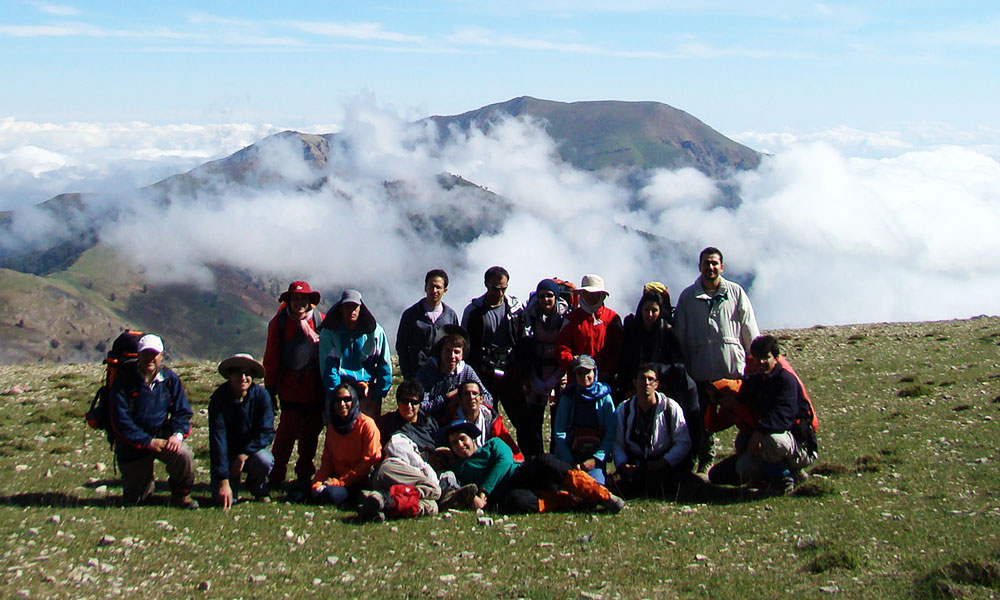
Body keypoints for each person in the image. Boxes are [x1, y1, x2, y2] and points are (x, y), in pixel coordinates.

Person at [674, 247, 759, 473]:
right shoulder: (687, 297)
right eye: (706, 263)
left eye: (714, 263)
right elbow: (680, 335)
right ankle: (704, 459)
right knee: (703, 419)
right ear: (699, 266)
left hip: (733, 369)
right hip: (700, 370)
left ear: (722, 266)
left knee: (745, 414)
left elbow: (749, 327)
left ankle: (749, 454)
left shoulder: (736, 292)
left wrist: (755, 358)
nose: (710, 268)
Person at [709, 335, 818, 496]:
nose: (761, 363)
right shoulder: (755, 382)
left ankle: (784, 480)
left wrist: (759, 432)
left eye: (766, 358)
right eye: (757, 358)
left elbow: (783, 416)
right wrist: (718, 394)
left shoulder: (786, 381)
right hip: (772, 443)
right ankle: (786, 476)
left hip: (800, 446)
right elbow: (741, 392)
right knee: (742, 467)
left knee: (772, 441)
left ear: (776, 357)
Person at [444, 421, 625, 514]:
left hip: (521, 472)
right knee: (518, 502)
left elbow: (505, 462)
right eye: (454, 443)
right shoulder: (459, 470)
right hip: (507, 492)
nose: (460, 445)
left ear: (471, 438)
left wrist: (484, 492)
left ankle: (602, 496)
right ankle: (573, 502)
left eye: (462, 439)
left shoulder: (493, 444)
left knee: (545, 461)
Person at [109, 334, 196, 508]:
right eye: (145, 353)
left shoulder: (170, 380)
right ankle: (143, 491)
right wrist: (148, 442)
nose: (150, 358)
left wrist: (177, 435)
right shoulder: (124, 382)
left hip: (161, 435)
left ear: (161, 356)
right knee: (136, 500)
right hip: (132, 445)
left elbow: (182, 412)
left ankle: (181, 495)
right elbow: (121, 422)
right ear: (138, 355)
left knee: (184, 456)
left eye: (154, 354)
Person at [263, 281, 326, 494]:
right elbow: (271, 356)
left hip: (315, 389)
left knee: (310, 436)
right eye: (295, 299)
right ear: (289, 301)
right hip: (289, 388)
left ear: (310, 302)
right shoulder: (279, 323)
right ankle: (275, 475)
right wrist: (271, 388)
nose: (299, 303)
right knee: (285, 436)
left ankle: (304, 476)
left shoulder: (321, 322)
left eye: (303, 299)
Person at [460, 266, 525, 437]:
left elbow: (522, 338)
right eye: (496, 288)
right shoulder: (474, 311)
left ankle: (531, 458)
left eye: (504, 288)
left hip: (511, 372)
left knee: (523, 420)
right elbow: (465, 343)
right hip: (484, 372)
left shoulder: (515, 308)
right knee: (488, 417)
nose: (500, 293)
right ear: (486, 285)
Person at [612, 365, 692, 498]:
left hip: (663, 462)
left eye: (650, 379)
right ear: (635, 383)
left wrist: (663, 463)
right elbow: (617, 443)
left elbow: (683, 443)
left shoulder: (670, 407)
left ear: (657, 384)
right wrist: (622, 465)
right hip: (634, 463)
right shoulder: (624, 409)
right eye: (642, 379)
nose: (646, 383)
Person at [208, 353, 275, 508]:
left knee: (265, 459)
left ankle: (256, 485)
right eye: (238, 373)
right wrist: (223, 480)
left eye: (248, 373)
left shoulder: (262, 396)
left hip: (251, 453)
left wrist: (244, 455)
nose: (243, 378)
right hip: (226, 455)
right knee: (223, 501)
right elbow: (218, 441)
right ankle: (229, 483)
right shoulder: (219, 399)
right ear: (229, 375)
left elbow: (267, 432)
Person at [319, 289, 393, 418]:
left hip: (367, 390)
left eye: (354, 307)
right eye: (347, 306)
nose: (351, 310)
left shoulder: (375, 333)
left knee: (367, 431)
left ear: (360, 308)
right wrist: (337, 397)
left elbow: (384, 365)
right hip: (340, 390)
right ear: (341, 308)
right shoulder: (329, 333)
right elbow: (328, 368)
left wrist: (377, 396)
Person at [517, 278, 569, 457]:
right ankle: (535, 456)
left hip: (559, 371)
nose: (545, 300)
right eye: (541, 296)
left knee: (559, 418)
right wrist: (534, 379)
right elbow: (526, 349)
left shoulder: (565, 317)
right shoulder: (530, 316)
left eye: (549, 296)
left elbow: (567, 348)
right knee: (534, 417)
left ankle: (557, 456)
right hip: (536, 370)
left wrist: (556, 377)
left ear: (556, 297)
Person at [311, 384, 382, 506]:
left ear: (354, 401)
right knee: (298, 492)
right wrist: (317, 482)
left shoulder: (367, 425)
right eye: (337, 400)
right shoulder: (333, 426)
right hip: (336, 477)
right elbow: (327, 460)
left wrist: (340, 482)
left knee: (330, 495)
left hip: (360, 481)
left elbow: (368, 462)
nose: (342, 404)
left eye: (347, 400)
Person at [552, 355, 616, 485]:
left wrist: (596, 459)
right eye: (579, 373)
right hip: (570, 453)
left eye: (588, 372)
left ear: (595, 372)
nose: (584, 376)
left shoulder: (605, 397)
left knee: (594, 487)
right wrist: (569, 460)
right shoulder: (568, 396)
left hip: (594, 454)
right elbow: (559, 432)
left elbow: (611, 432)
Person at [617, 283, 684, 399]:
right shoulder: (632, 330)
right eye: (646, 310)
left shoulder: (667, 332)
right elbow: (624, 362)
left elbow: (679, 364)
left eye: (654, 310)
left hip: (662, 391)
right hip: (633, 391)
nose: (650, 315)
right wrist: (626, 388)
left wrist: (658, 370)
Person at [556, 274, 623, 389]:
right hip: (577, 381)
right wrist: (571, 361)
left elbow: (618, 348)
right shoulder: (572, 319)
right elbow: (562, 345)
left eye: (595, 294)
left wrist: (609, 370)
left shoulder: (612, 318)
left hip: (605, 382)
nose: (591, 296)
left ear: (602, 295)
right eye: (587, 293)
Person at [416, 329, 493, 423]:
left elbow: (489, 398)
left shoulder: (467, 371)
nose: (452, 356)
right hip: (430, 422)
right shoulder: (427, 371)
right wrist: (446, 398)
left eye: (456, 352)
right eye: (448, 351)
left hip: (460, 422)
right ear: (441, 351)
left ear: (462, 354)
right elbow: (421, 406)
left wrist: (468, 398)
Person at [359, 433, 441, 521]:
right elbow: (395, 445)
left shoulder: (431, 473)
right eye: (440, 456)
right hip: (390, 469)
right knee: (435, 490)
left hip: (388, 487)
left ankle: (380, 508)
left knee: (432, 507)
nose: (439, 461)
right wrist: (421, 467)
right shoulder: (411, 447)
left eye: (444, 462)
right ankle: (385, 498)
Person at [396, 269, 460, 380]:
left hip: (442, 374)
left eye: (438, 287)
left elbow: (457, 344)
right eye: (431, 286)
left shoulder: (450, 316)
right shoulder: (411, 314)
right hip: (417, 373)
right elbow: (402, 346)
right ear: (425, 287)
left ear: (445, 290)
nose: (434, 291)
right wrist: (407, 374)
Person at [446, 380, 522, 461]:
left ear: (481, 399)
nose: (471, 397)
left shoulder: (491, 419)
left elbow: (510, 450)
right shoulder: (450, 421)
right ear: (459, 399)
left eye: (475, 393)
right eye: (466, 394)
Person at [376, 379, 439, 453]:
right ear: (398, 402)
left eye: (413, 402)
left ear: (419, 404)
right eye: (404, 401)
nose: (409, 406)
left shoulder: (429, 423)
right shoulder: (386, 423)